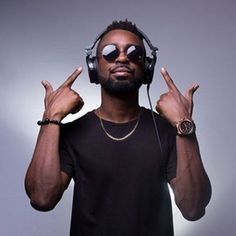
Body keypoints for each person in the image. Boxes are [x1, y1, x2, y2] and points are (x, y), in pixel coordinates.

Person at [25, 20, 211, 236]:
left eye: (134, 53)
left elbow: (193, 208)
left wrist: (183, 123)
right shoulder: (71, 133)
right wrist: (51, 117)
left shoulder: (171, 132)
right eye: (110, 52)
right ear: (94, 66)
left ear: (146, 67)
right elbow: (41, 198)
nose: (122, 58)